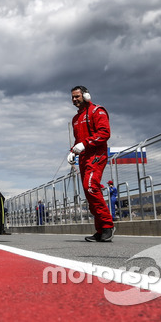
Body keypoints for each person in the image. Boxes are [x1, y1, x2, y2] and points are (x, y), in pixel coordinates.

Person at [66, 86, 114, 242]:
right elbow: (78, 141)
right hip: (84, 157)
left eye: (77, 96)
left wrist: (84, 144)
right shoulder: (75, 119)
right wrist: (73, 151)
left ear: (86, 95)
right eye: (72, 97)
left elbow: (104, 133)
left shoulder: (97, 111)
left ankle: (108, 226)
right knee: (88, 192)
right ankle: (100, 231)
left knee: (91, 186)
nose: (74, 100)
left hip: (97, 154)